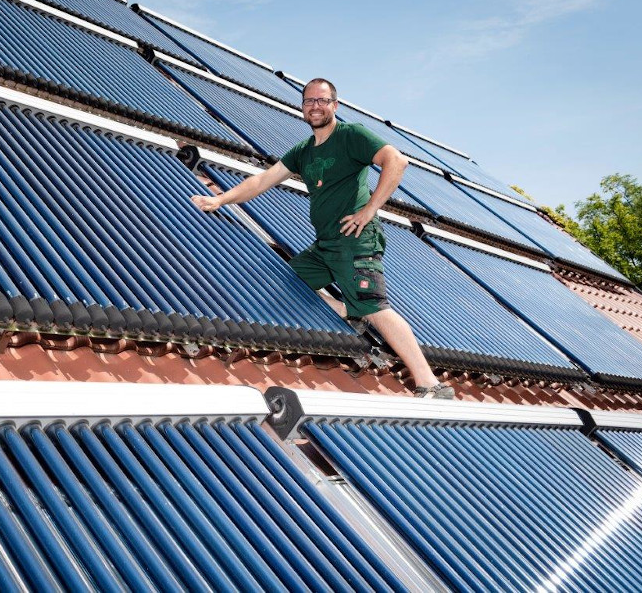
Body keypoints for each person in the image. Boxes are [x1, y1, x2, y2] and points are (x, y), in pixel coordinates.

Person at [191, 78, 454, 399]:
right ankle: (349, 310)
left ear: (334, 105)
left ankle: (430, 383)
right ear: (303, 107)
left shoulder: (351, 135)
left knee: (375, 306)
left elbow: (397, 161)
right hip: (325, 245)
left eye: (322, 100)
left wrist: (370, 209)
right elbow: (262, 180)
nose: (315, 106)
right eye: (309, 101)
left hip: (355, 240)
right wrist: (220, 199)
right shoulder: (303, 151)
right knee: (288, 284)